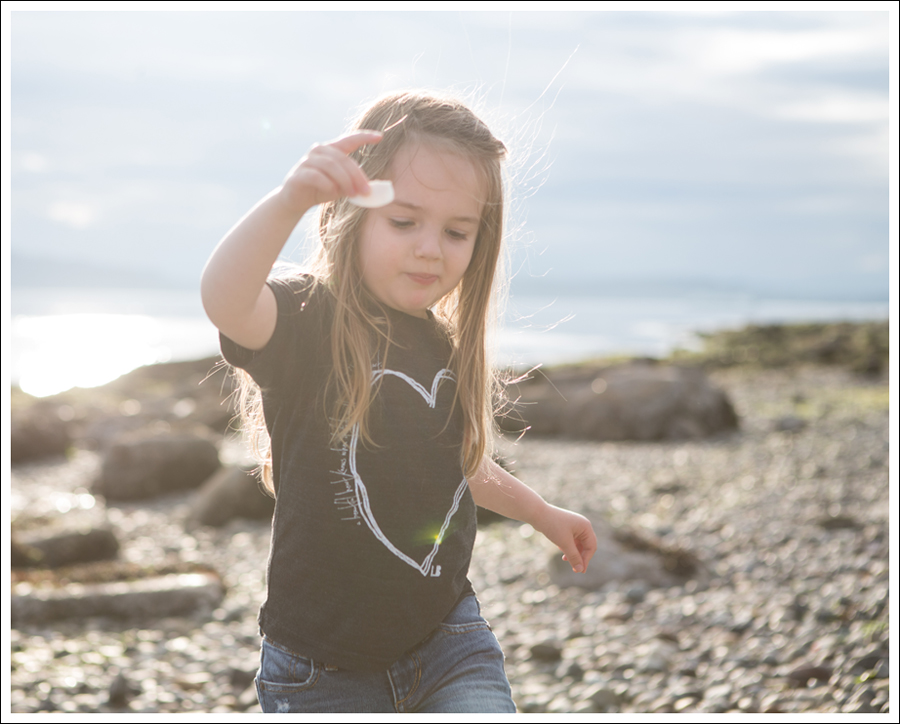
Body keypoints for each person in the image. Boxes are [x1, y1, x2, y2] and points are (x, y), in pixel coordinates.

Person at [200, 90, 597, 713]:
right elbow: (225, 298)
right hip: (321, 671)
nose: (430, 248)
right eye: (404, 222)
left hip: (449, 642)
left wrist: (542, 513)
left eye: (456, 231)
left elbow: (460, 466)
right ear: (347, 214)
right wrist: (288, 202)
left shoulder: (443, 345)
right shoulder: (308, 320)